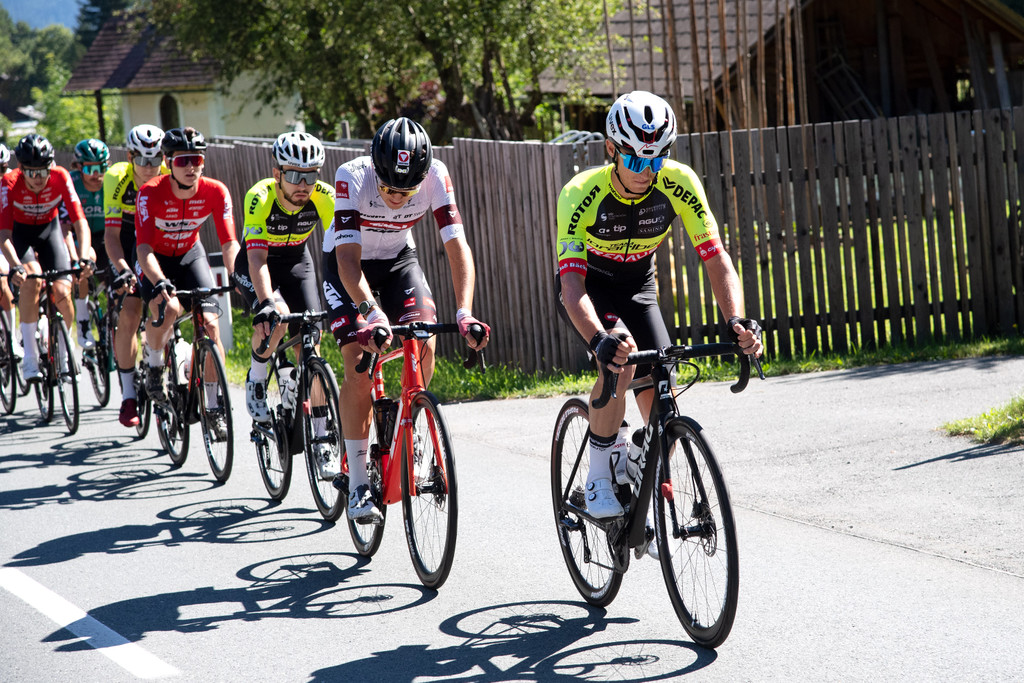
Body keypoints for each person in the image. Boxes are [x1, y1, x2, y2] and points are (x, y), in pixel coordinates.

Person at [555, 91, 762, 522]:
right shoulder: (580, 192)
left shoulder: (679, 181)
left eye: (655, 161)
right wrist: (599, 339)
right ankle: (595, 478)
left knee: (663, 399)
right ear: (611, 150)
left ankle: (633, 463)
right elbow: (571, 285)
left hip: (638, 285)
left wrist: (737, 320)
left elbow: (715, 256)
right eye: (634, 161)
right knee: (622, 357)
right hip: (592, 288)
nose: (645, 173)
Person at [322, 116, 490, 522]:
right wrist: (370, 311)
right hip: (348, 265)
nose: (398, 198)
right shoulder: (352, 176)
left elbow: (457, 247)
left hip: (399, 261)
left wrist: (464, 311)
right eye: (389, 188)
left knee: (424, 338)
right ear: (376, 170)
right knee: (356, 365)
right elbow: (347, 261)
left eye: (407, 190)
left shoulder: (436, 175)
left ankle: (404, 422)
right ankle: (360, 482)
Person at [135, 126, 239, 438]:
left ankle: (212, 406)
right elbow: (142, 248)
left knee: (210, 324)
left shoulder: (216, 191)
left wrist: (236, 276)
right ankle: (154, 365)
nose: (191, 166)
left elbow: (229, 242)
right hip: (156, 258)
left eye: (196, 159)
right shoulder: (149, 192)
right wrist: (159, 281)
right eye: (183, 161)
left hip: (190, 255)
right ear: (167, 163)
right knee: (169, 308)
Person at [234, 132, 334, 431]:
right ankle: (256, 378)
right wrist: (266, 303)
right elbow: (256, 260)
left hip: (297, 263)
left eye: (310, 175)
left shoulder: (325, 197)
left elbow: (340, 253)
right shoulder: (260, 196)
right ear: (277, 173)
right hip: (257, 264)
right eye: (293, 175)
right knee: (274, 319)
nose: (303, 185)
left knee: (311, 346)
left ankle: (321, 431)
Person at [0, 134, 94, 382]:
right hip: (19, 235)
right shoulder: (9, 182)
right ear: (21, 169)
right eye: (31, 173)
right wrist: (15, 265)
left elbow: (80, 222)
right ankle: (30, 357)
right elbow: (4, 234)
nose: (39, 178)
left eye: (43, 171)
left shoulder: (60, 176)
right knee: (32, 280)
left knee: (64, 290)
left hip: (48, 231)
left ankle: (64, 356)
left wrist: (83, 258)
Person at [104, 124, 165, 427]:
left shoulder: (169, 174)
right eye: (142, 160)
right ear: (129, 157)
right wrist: (124, 270)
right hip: (128, 241)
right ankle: (129, 397)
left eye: (156, 160)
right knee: (130, 312)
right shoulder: (117, 177)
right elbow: (112, 235)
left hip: (158, 241)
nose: (150, 168)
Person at [63, 138, 110, 351]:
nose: (97, 174)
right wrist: (75, 256)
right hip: (75, 234)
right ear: (79, 167)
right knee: (85, 262)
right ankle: (82, 320)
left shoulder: (112, 182)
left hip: (105, 235)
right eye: (91, 168)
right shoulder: (70, 183)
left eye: (102, 167)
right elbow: (63, 226)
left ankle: (114, 318)